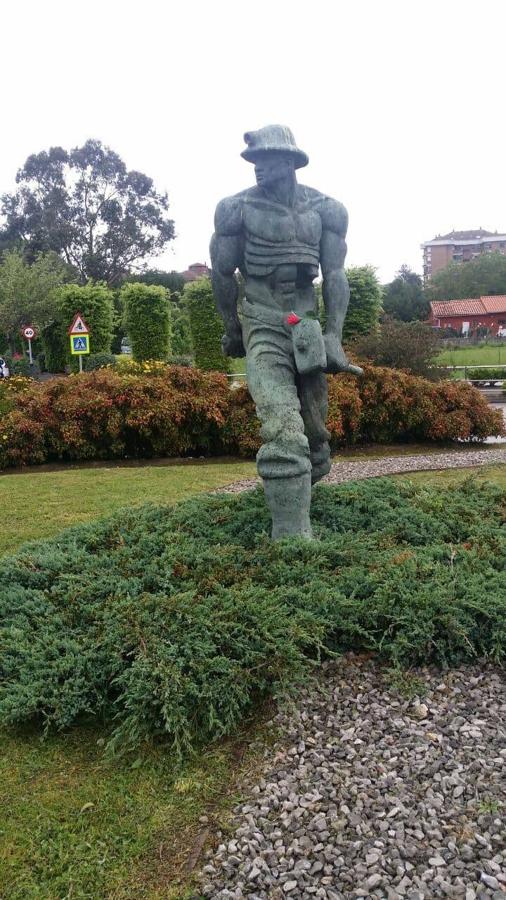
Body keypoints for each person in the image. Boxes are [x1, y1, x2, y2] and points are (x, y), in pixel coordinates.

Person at [210, 125, 361, 539]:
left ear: (291, 160)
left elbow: (334, 274)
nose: (258, 169)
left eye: (269, 160)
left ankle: (299, 491)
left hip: (307, 327)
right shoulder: (234, 210)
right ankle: (292, 538)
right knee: (281, 427)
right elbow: (222, 274)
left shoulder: (328, 210)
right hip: (263, 323)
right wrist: (232, 328)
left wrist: (333, 334)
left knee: (315, 440)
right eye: (254, 162)